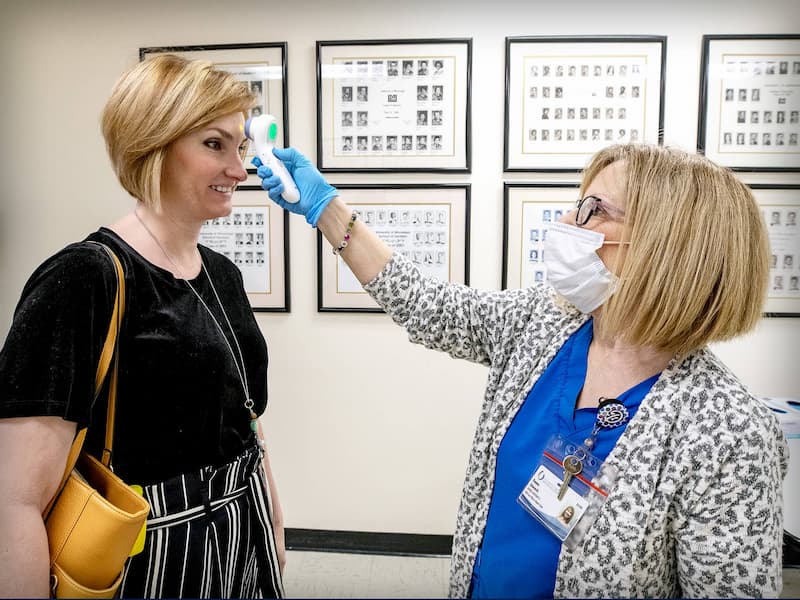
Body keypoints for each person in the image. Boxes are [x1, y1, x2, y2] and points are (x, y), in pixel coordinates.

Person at [253, 143, 787, 598]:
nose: (567, 222)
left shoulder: (729, 431)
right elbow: (425, 304)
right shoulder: (544, 323)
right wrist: (327, 209)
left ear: (669, 247)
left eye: (594, 209)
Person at [0, 55, 284, 598]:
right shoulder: (83, 278)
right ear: (153, 144)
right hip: (147, 549)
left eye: (240, 146)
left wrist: (269, 517)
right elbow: (14, 498)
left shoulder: (221, 273)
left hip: (240, 531)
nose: (240, 170)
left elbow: (243, 416)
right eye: (214, 144)